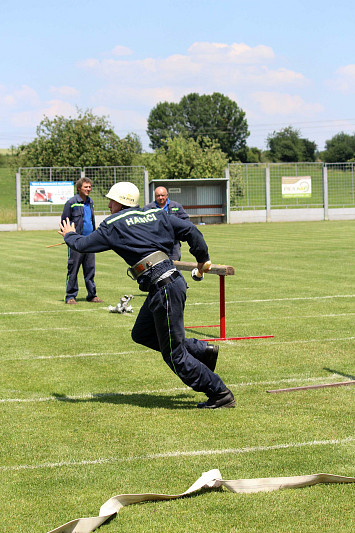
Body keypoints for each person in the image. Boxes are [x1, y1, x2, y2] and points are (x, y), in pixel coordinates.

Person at [58, 182, 235, 409]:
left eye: (111, 200)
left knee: (175, 356)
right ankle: (202, 351)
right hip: (169, 284)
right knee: (141, 333)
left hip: (164, 287)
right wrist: (202, 258)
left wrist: (69, 235)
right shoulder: (155, 213)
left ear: (120, 203)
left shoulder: (112, 224)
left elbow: (82, 244)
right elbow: (191, 230)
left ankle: (220, 393)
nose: (109, 204)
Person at [61, 177, 103, 305]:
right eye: (86, 187)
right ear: (79, 188)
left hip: (90, 241)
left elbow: (91, 220)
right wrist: (69, 237)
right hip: (76, 242)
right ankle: (70, 296)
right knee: (73, 269)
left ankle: (92, 295)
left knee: (90, 269)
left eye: (90, 187)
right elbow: (64, 222)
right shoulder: (71, 202)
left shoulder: (90, 202)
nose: (88, 189)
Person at [143, 186, 189, 260]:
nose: (160, 197)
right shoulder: (147, 209)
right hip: (156, 245)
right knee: (158, 267)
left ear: (167, 195)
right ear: (155, 196)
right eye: (158, 196)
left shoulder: (176, 206)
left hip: (174, 245)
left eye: (162, 195)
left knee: (175, 266)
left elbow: (185, 221)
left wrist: (179, 234)